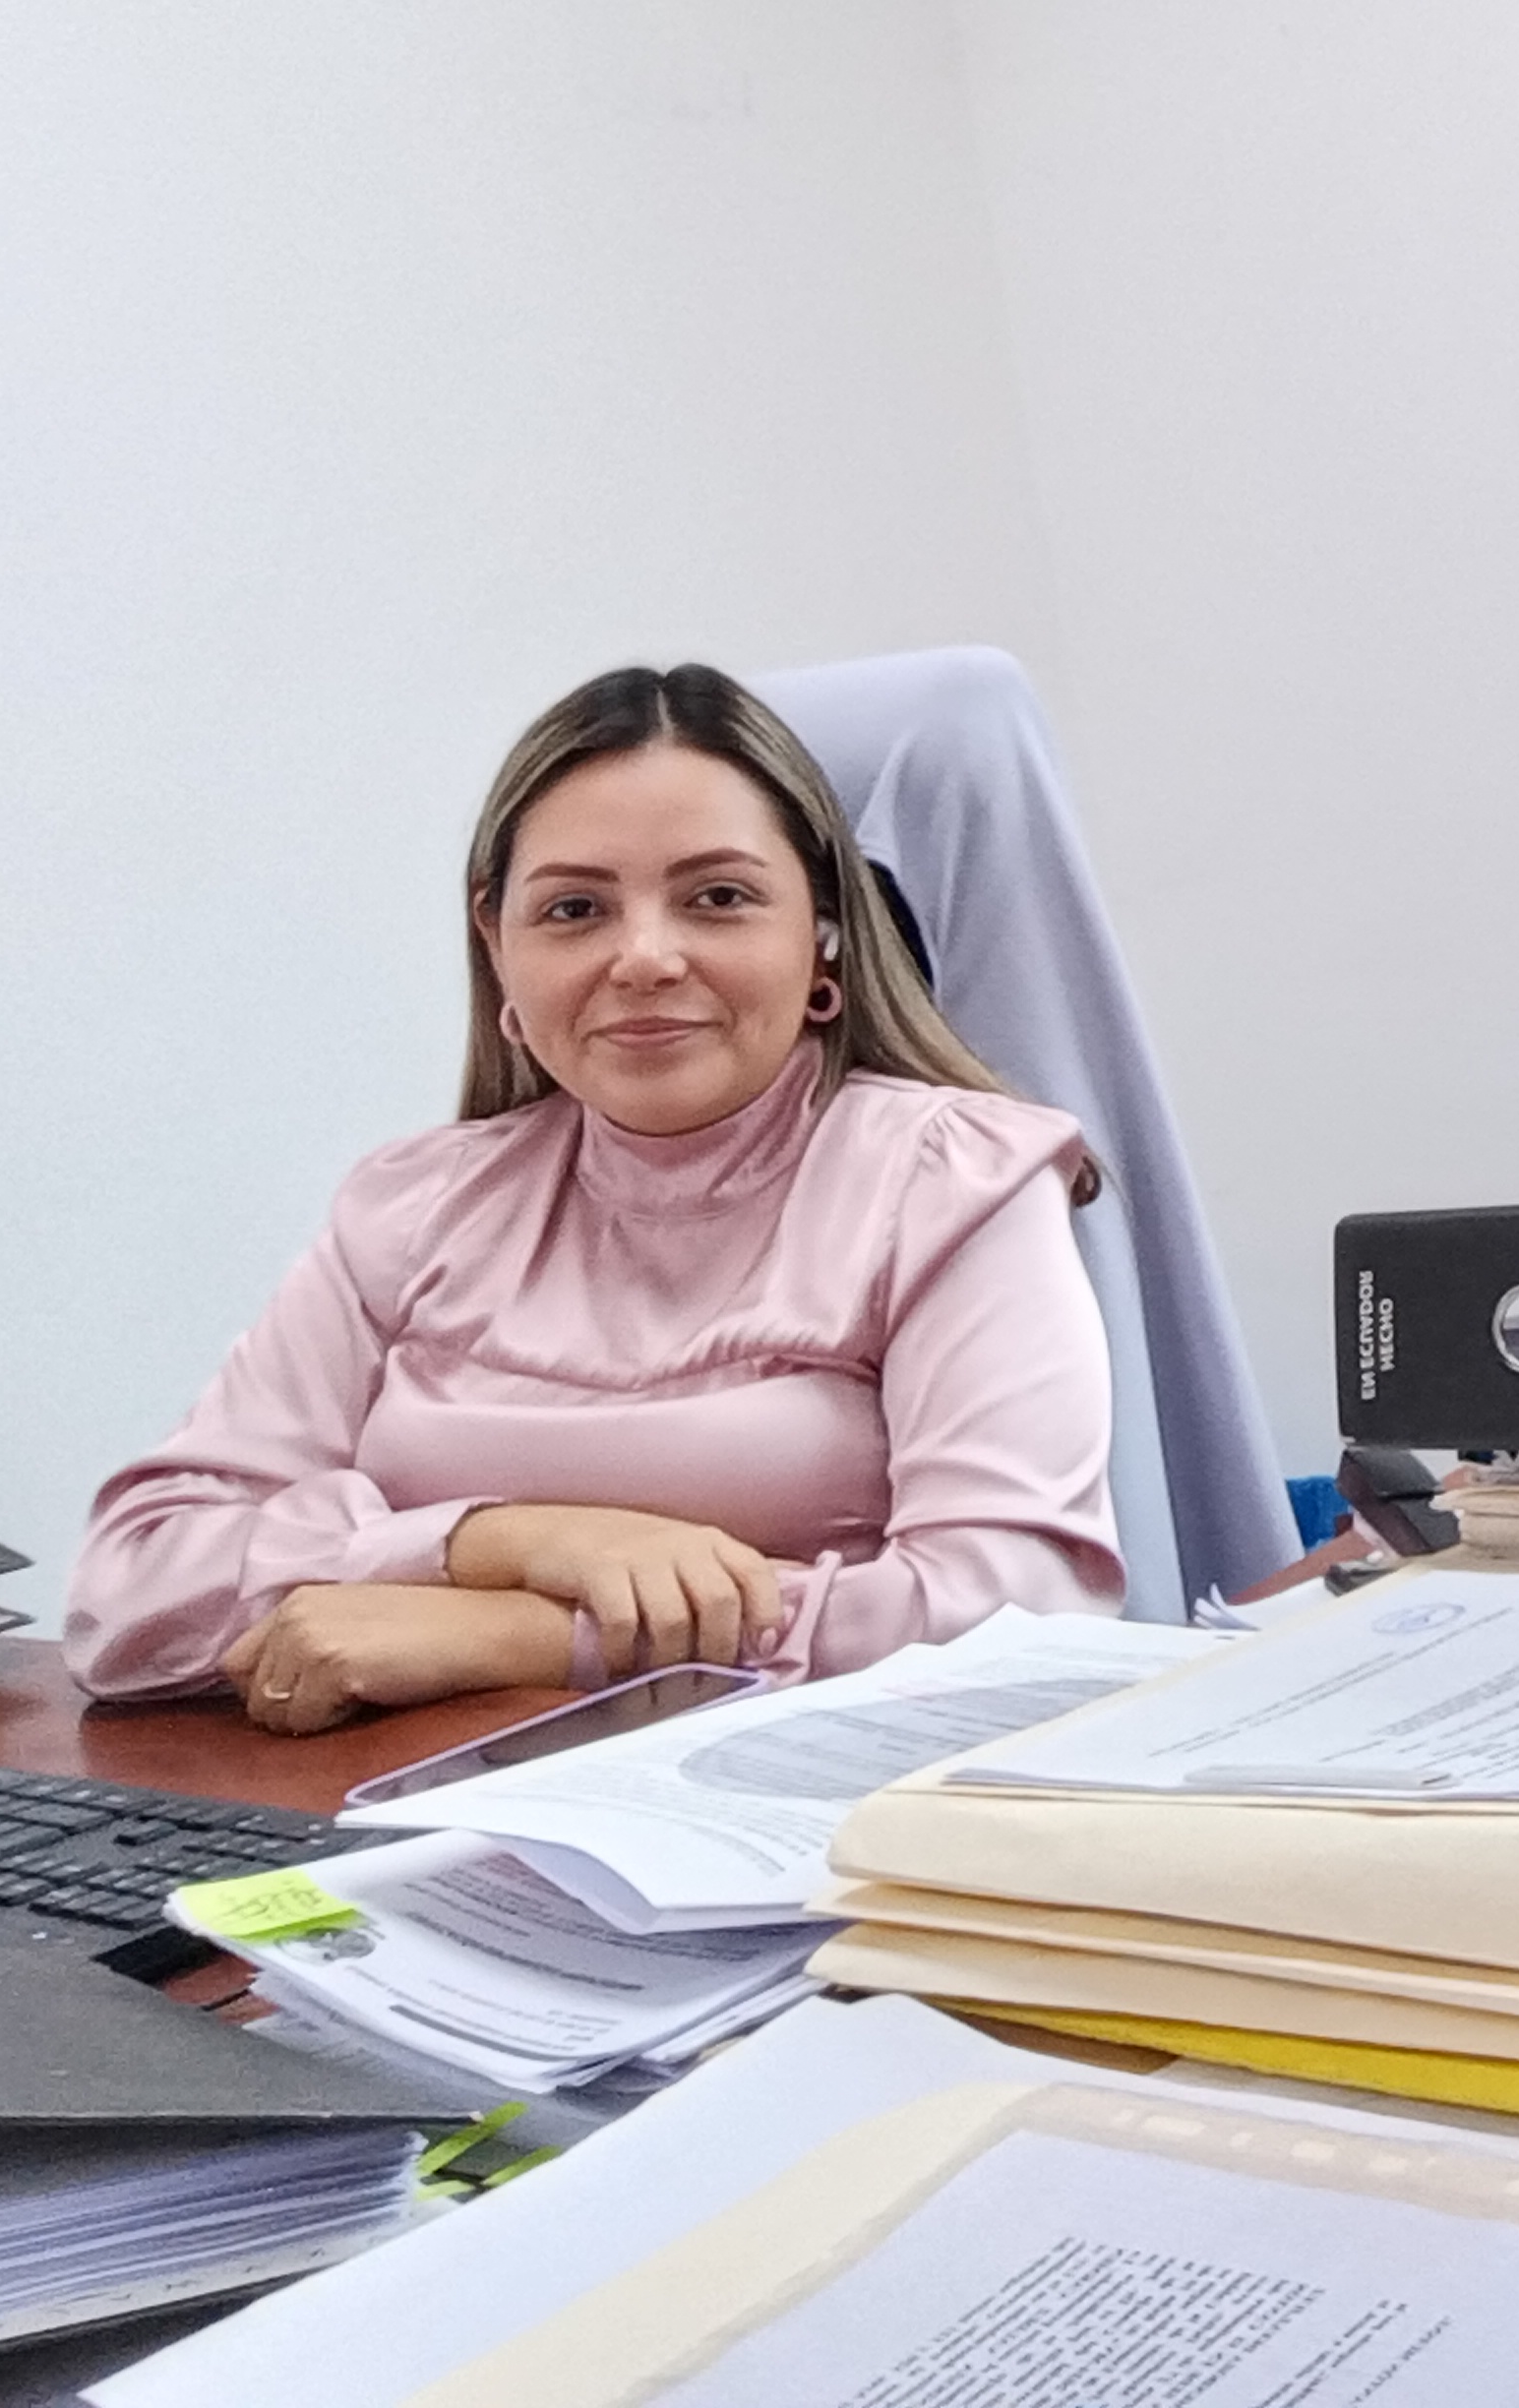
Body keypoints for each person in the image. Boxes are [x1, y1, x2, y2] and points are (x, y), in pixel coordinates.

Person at [70, 663, 1128, 1731]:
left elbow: (1019, 1616)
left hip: (817, 1809)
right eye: (575, 909)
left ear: (823, 932)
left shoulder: (953, 1181)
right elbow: (129, 1596)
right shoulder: (413, 1206)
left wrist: (521, 1638)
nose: (646, 959)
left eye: (719, 898)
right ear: (498, 947)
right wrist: (501, 1541)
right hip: (403, 1801)